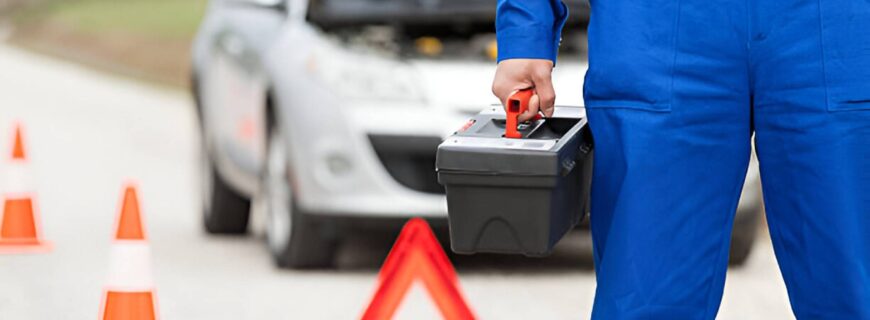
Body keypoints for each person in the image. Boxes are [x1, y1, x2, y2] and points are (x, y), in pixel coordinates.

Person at [492, 0, 870, 318]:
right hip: (659, 27)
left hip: (839, 27)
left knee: (855, 289)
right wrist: (527, 27)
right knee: (650, 295)